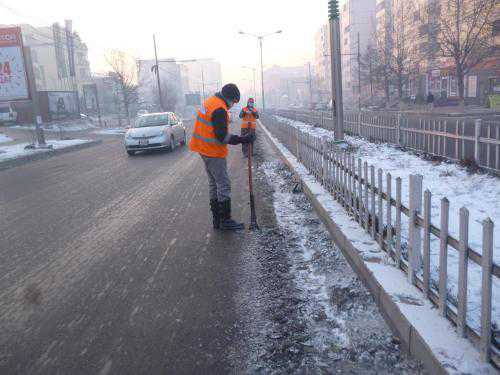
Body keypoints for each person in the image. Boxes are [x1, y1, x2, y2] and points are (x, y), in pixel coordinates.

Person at [189, 83, 255, 231]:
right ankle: (225, 220)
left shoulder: (210, 101)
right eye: (234, 102)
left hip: (203, 149)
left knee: (214, 184)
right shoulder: (219, 108)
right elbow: (222, 137)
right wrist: (243, 139)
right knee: (223, 184)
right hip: (213, 151)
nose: (232, 106)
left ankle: (217, 220)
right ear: (229, 98)